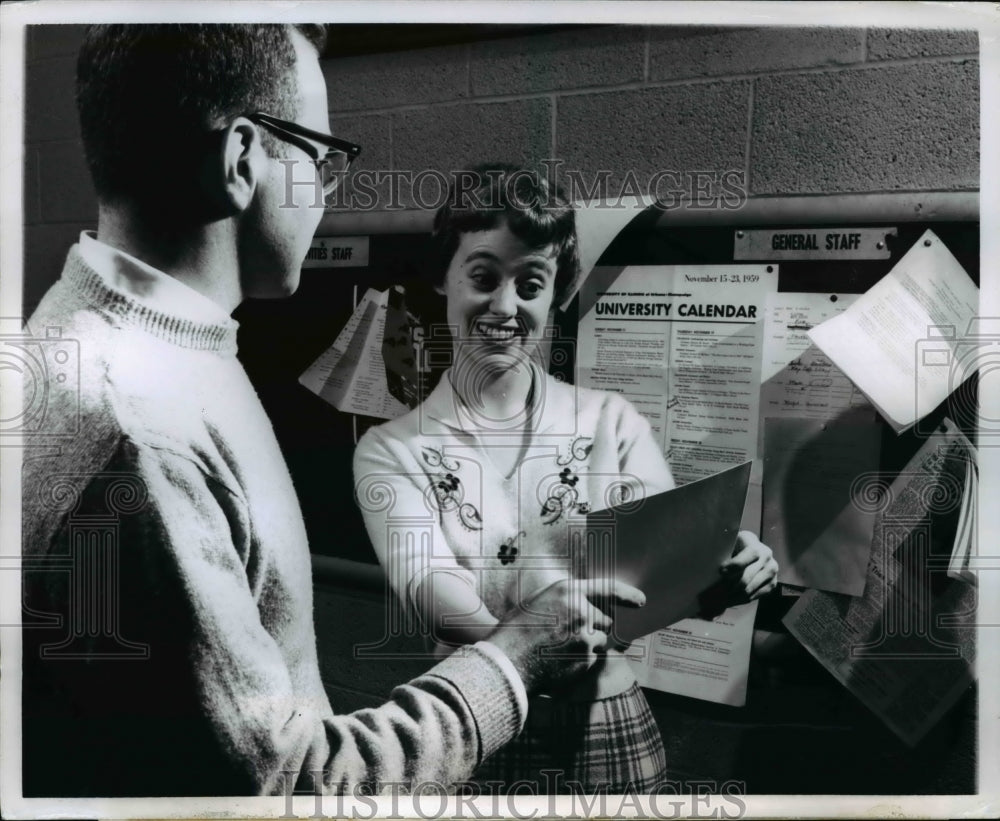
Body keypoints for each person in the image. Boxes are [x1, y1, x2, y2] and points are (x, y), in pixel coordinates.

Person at [19, 25, 645, 798]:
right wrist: (514, 659)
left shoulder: (127, 343)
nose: (330, 187)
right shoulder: (142, 430)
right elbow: (285, 785)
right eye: (319, 156)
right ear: (243, 159)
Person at [352, 166, 779, 793]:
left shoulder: (611, 421)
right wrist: (542, 639)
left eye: (530, 283)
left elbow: (667, 568)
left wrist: (729, 571)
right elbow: (433, 594)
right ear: (443, 278)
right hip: (476, 720)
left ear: (556, 294)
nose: (504, 306)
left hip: (608, 723)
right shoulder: (392, 449)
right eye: (482, 277)